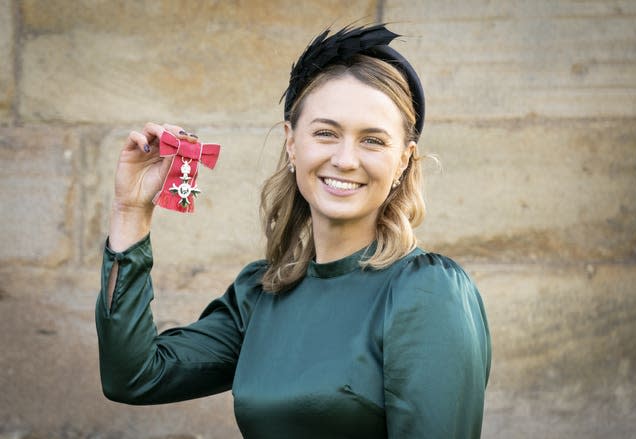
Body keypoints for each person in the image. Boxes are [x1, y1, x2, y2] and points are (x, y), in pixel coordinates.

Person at [96, 24, 491, 438]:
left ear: (404, 161)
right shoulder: (261, 292)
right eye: (326, 133)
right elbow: (135, 376)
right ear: (291, 142)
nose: (345, 159)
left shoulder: (426, 292)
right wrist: (130, 211)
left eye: (372, 141)